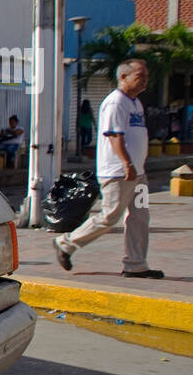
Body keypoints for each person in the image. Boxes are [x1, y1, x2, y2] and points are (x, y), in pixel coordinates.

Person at [53, 59, 163, 279]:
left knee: (140, 217)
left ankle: (136, 264)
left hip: (138, 175)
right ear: (123, 77)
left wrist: (137, 166)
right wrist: (127, 163)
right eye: (140, 76)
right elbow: (114, 136)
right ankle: (66, 243)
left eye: (146, 77)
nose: (145, 81)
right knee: (110, 216)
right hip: (119, 173)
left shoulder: (136, 103)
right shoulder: (115, 102)